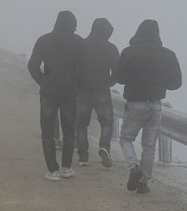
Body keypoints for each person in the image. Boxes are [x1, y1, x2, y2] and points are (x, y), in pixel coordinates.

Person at [114, 19, 181, 194]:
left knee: (126, 138)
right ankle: (143, 183)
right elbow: (176, 83)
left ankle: (133, 166)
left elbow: (119, 77)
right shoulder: (168, 54)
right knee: (149, 145)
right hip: (156, 104)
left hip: (135, 103)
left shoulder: (129, 52)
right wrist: (159, 82)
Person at [27, 10, 84, 181]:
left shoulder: (43, 40)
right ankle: (66, 167)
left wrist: (43, 81)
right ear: (73, 24)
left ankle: (52, 170)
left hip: (48, 92)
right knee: (69, 131)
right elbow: (84, 67)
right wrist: (76, 84)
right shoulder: (78, 42)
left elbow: (32, 66)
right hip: (69, 91)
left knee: (47, 132)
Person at [75, 18, 119, 168]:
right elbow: (117, 71)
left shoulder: (81, 45)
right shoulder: (111, 48)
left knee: (81, 125)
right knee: (106, 122)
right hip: (102, 89)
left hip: (82, 89)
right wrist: (109, 82)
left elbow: (74, 67)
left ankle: (82, 157)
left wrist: (77, 83)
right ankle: (104, 147)